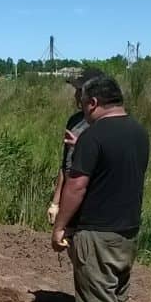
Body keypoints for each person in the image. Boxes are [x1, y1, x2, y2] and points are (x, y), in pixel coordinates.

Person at [51, 74, 149, 302]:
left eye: (83, 102)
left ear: (93, 103)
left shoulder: (93, 136)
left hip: (97, 230)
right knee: (116, 294)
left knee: (96, 297)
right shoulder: (138, 131)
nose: (81, 108)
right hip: (127, 229)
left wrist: (60, 225)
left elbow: (76, 186)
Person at [47, 69, 100, 226]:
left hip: (90, 195)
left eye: (79, 91)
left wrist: (82, 145)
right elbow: (65, 165)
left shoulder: (102, 124)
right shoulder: (74, 121)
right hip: (70, 193)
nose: (76, 96)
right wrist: (55, 203)